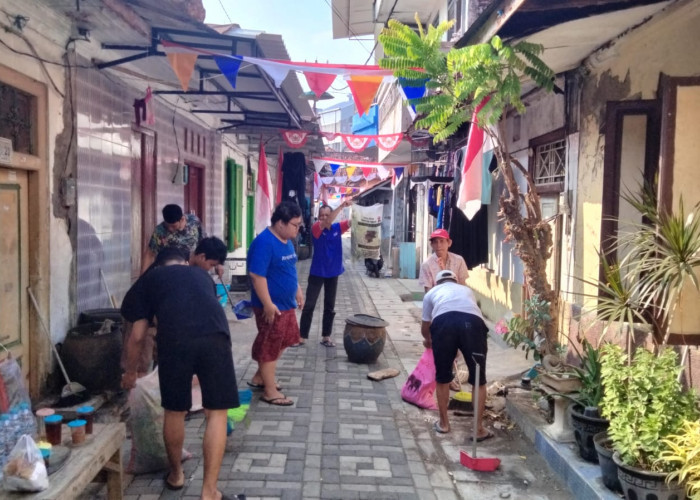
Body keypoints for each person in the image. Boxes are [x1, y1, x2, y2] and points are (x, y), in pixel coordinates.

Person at [121, 249, 239, 500]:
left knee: (175, 410)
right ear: (184, 262)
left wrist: (131, 372)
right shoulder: (200, 275)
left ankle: (176, 475)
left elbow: (138, 336)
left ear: (157, 265)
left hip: (175, 342)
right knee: (217, 412)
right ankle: (210, 492)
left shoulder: (149, 279)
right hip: (216, 336)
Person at [421, 269, 492, 441]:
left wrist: (429, 340)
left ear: (437, 283)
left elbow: (425, 328)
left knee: (443, 378)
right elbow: (465, 313)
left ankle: (444, 424)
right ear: (455, 281)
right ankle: (478, 429)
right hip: (473, 324)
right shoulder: (466, 290)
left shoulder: (430, 293)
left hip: (443, 324)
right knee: (478, 379)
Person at [247, 201, 304, 406]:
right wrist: (268, 304)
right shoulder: (264, 242)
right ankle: (270, 392)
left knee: (286, 340)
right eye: (295, 225)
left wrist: (297, 289)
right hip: (271, 307)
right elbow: (257, 276)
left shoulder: (287, 240)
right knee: (270, 345)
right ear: (280, 223)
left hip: (286, 304)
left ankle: (260, 376)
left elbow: (289, 267)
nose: (298, 229)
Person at [419, 228, 470, 391]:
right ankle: (441, 378)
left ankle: (452, 376)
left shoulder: (459, 260)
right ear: (432, 245)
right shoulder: (427, 265)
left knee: (456, 346)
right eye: (435, 242)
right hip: (438, 309)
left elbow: (463, 285)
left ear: (449, 243)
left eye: (442, 241)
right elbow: (429, 293)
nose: (439, 245)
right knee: (439, 346)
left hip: (458, 307)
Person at [298, 200, 352, 347]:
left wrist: (362, 212)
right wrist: (342, 206)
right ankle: (302, 336)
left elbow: (353, 222)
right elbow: (326, 222)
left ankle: (326, 336)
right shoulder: (316, 228)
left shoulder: (337, 228)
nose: (324, 218)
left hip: (333, 272)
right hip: (317, 272)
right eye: (321, 215)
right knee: (309, 305)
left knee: (330, 306)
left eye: (326, 215)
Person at [141, 204, 203, 274]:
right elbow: (150, 254)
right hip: (169, 269)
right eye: (168, 226)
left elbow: (203, 242)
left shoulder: (193, 221)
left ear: (182, 219)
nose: (170, 229)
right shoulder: (160, 230)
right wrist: (142, 277)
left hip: (191, 268)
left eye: (173, 226)